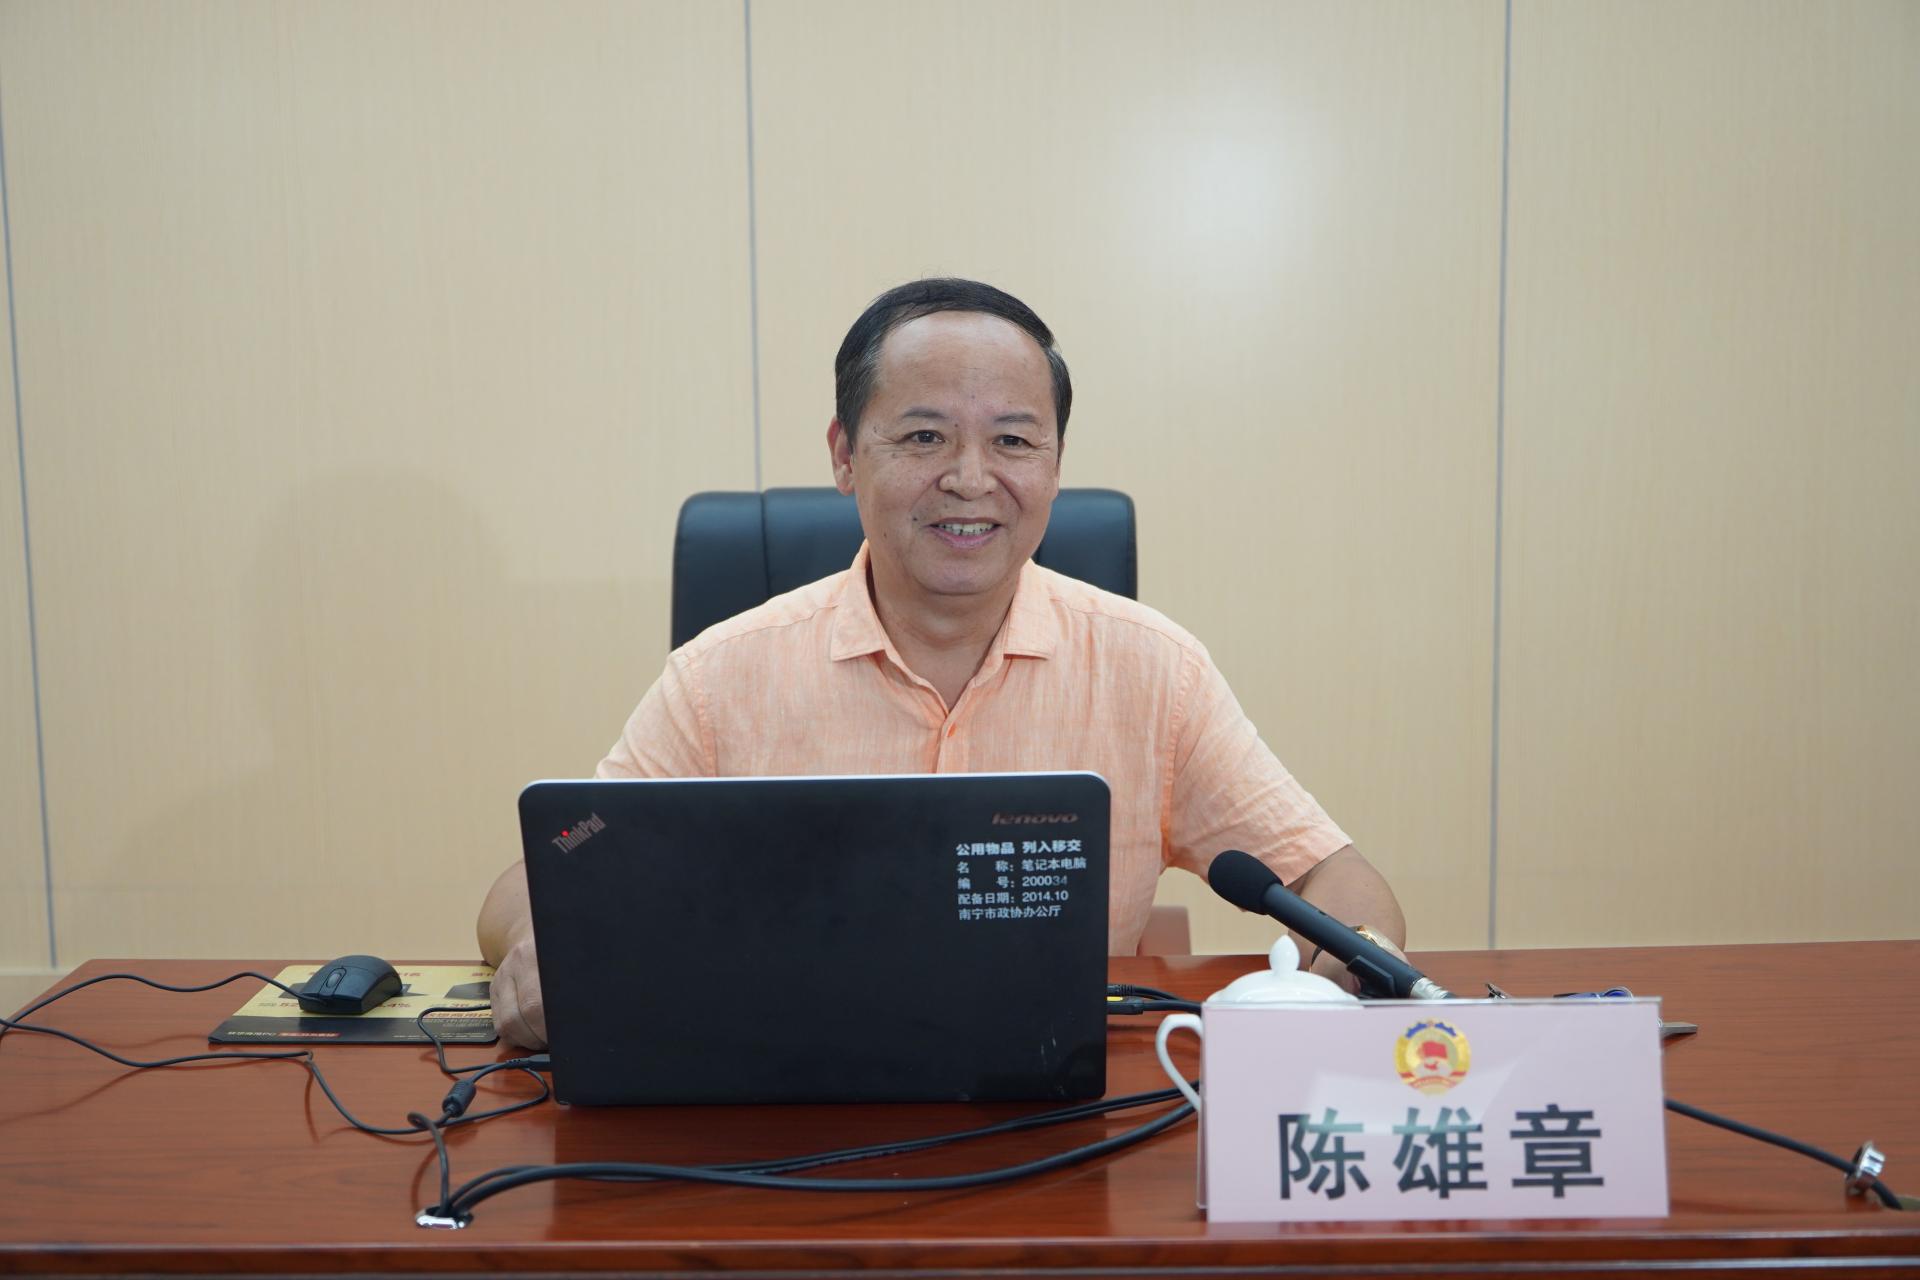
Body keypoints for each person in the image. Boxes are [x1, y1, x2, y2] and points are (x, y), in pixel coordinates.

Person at [478, 278, 1406, 1048]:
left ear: (1055, 463)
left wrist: (1350, 962)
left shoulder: (1154, 671)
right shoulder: (723, 678)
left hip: (1062, 1113)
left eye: (1013, 440)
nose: (970, 478)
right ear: (845, 456)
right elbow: (540, 876)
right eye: (924, 437)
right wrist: (537, 946)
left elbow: (1337, 880)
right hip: (788, 1104)